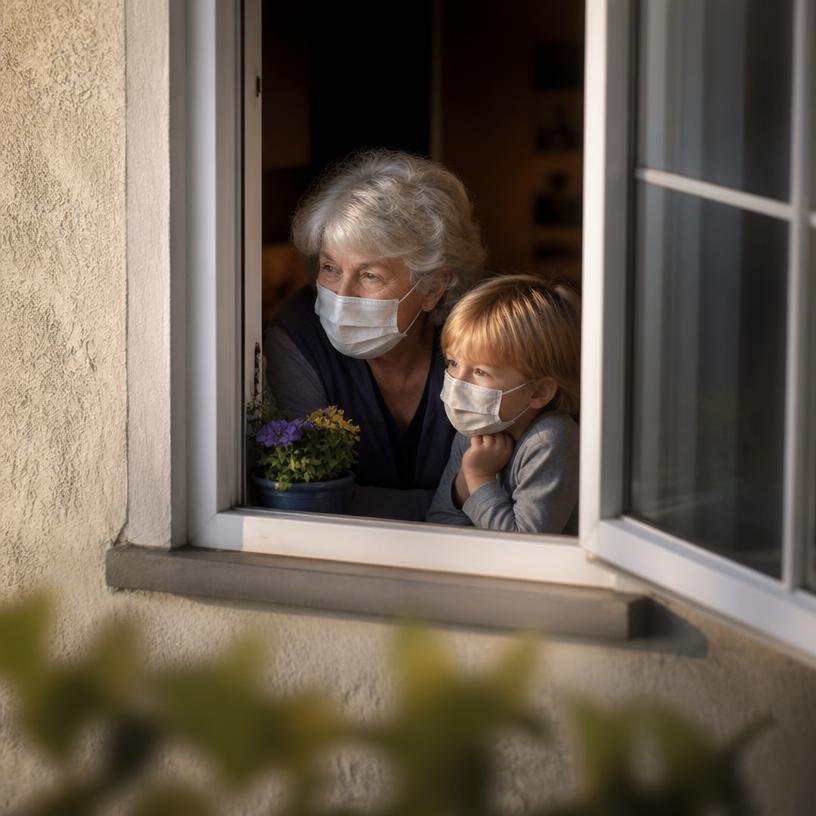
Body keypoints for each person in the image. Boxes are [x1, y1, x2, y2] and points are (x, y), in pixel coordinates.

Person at [266, 149, 486, 521]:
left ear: (433, 285)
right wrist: (450, 504)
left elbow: (509, 500)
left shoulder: (480, 341)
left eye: (370, 276)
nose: (343, 294)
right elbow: (308, 502)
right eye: (330, 267)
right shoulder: (298, 332)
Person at [426, 274, 580, 534]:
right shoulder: (476, 428)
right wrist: (463, 486)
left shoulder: (551, 440)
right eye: (453, 363)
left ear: (539, 392)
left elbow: (525, 545)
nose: (458, 382)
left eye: (481, 372)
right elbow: (440, 523)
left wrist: (478, 478)